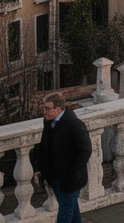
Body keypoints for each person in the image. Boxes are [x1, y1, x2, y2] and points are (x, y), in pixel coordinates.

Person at [31, 93, 91, 223]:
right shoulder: (48, 121)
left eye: (47, 109)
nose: (44, 112)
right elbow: (44, 146)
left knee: (65, 212)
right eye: (44, 108)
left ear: (58, 109)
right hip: (55, 177)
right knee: (71, 208)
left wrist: (74, 174)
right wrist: (39, 168)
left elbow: (85, 151)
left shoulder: (74, 124)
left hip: (70, 179)